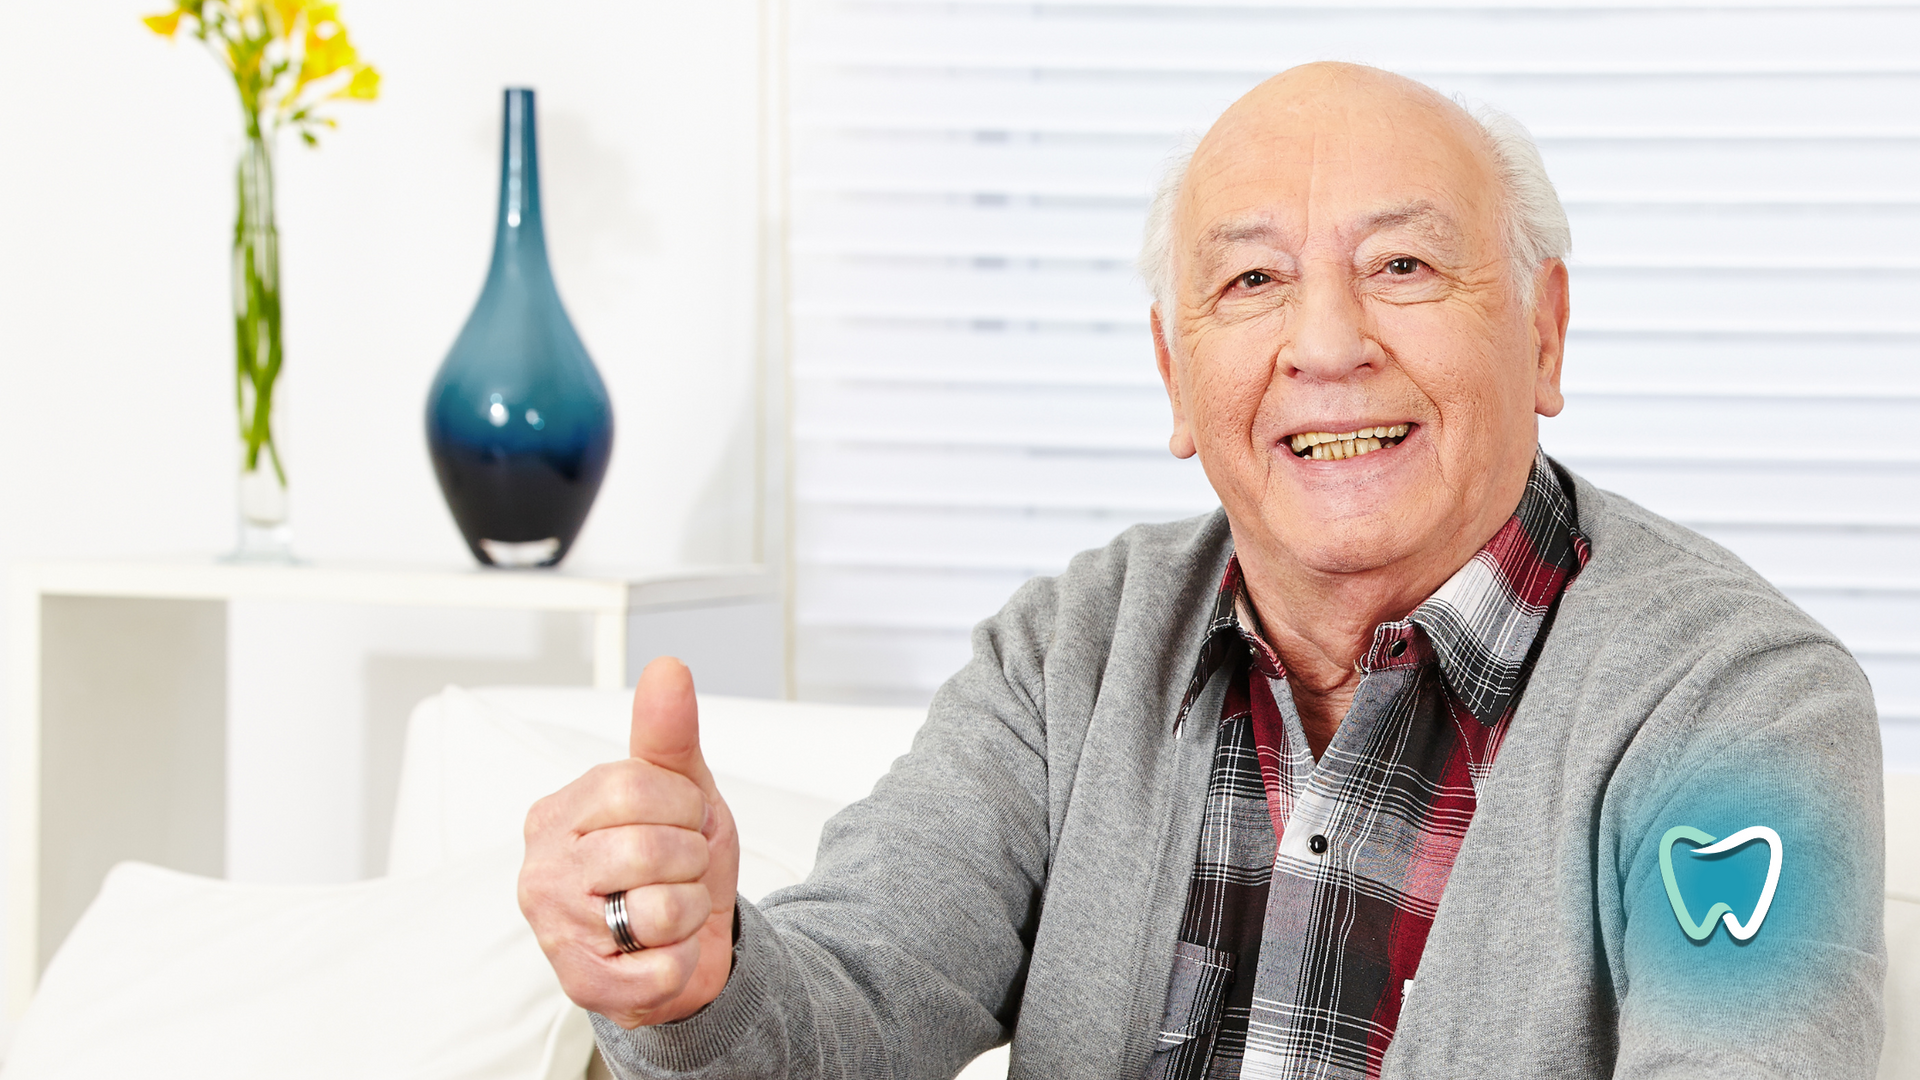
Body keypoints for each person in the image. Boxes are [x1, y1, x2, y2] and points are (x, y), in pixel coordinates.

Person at [518, 63, 1885, 1079]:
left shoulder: (1744, 707)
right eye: (1250, 285)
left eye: (1403, 264)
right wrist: (689, 984)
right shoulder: (1071, 654)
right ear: (1177, 378)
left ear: (1544, 331)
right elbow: (851, 1004)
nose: (1328, 342)